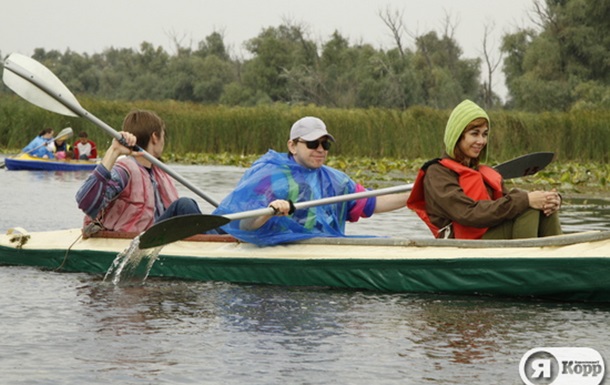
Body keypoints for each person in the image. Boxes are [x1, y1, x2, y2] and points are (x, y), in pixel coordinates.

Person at [212, 116, 410, 246]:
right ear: (292, 146)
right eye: (313, 143)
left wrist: (414, 195)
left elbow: (374, 202)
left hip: (314, 246)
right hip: (270, 245)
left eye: (325, 144)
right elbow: (244, 225)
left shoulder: (336, 180)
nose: (320, 149)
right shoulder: (269, 177)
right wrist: (269, 211)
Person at [407, 99, 562, 240]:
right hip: (462, 245)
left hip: (487, 235)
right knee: (527, 208)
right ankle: (526, 266)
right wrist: (526, 200)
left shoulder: (481, 172)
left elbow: (507, 203)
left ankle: (559, 260)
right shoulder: (437, 173)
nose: (481, 141)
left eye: (485, 134)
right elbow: (468, 213)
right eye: (474, 134)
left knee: (541, 207)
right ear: (457, 136)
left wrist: (548, 200)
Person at [76, 110, 201, 235]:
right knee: (184, 205)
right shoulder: (124, 171)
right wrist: (114, 151)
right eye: (163, 135)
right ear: (155, 137)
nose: (164, 141)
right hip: (132, 240)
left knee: (209, 214)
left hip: (158, 236)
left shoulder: (158, 171)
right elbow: (86, 203)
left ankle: (217, 239)